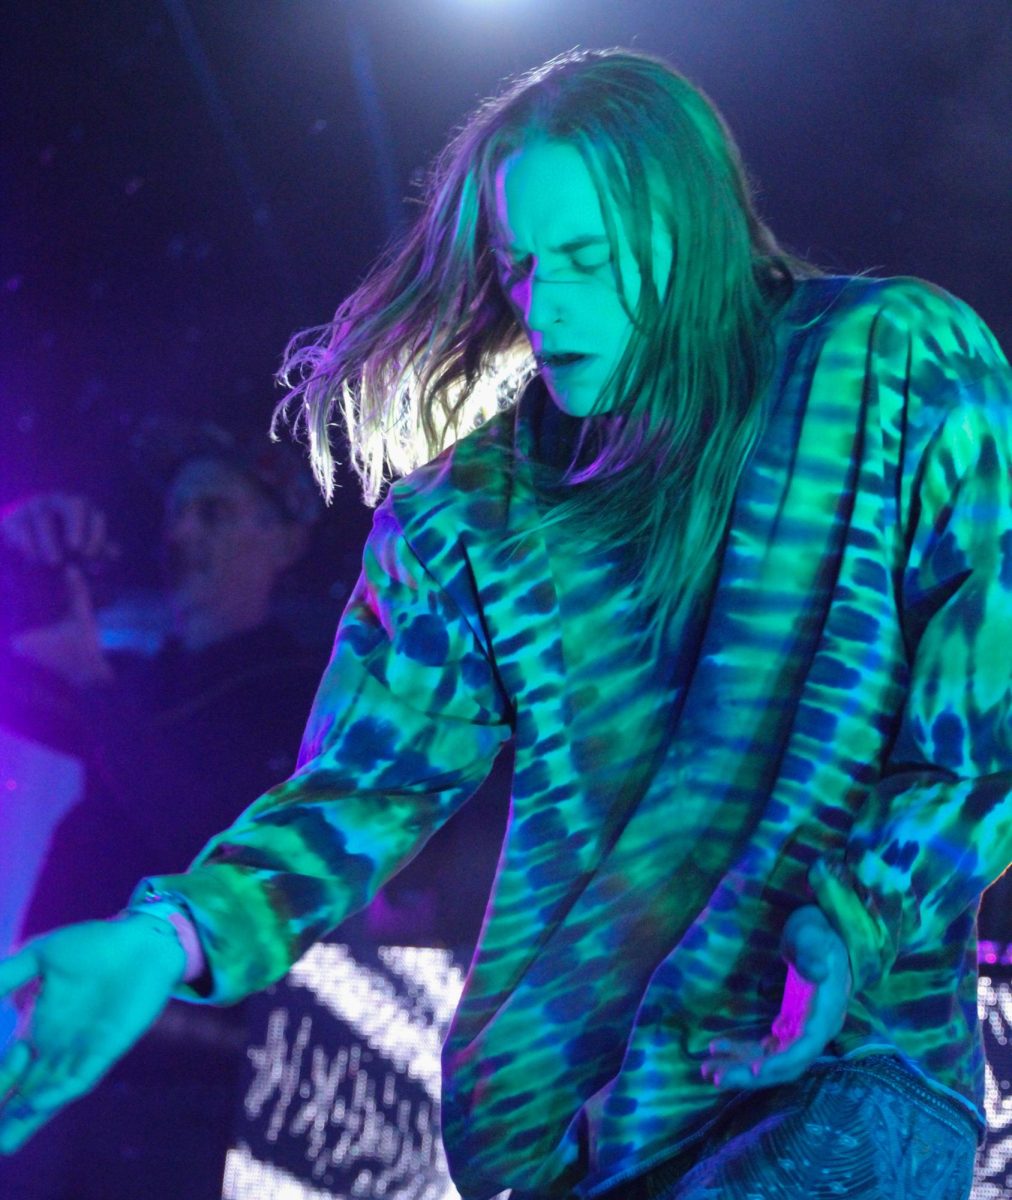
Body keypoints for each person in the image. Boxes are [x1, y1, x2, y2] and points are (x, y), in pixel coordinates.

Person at [0, 46, 1009, 1200]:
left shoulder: (890, 365)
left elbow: (989, 705)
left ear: (701, 228)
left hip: (829, 1074)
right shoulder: (471, 510)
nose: (550, 305)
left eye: (588, 258)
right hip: (559, 1132)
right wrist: (159, 940)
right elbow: (359, 788)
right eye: (523, 266)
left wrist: (852, 922)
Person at [0, 424, 326, 1198]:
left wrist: (91, 682)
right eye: (177, 512)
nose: (181, 532)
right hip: (66, 1052)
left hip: (190, 1091)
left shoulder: (298, 691)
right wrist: (16, 549)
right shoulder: (142, 677)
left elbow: (200, 828)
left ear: (283, 541)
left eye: (212, 511)